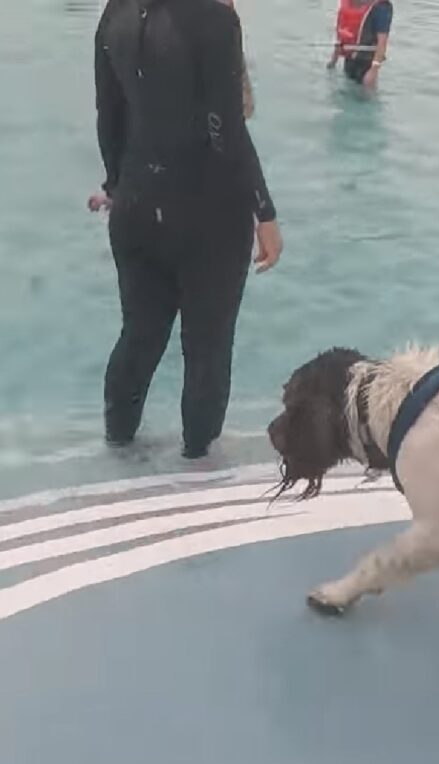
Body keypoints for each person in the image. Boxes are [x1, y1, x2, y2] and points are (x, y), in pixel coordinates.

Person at [88, 0, 283, 459]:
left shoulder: (115, 12)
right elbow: (227, 129)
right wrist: (265, 212)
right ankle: (197, 460)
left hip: (135, 206)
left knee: (139, 334)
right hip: (208, 211)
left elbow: (109, 117)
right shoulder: (214, 19)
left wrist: (117, 184)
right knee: (207, 349)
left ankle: (117, 446)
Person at [327, 0, 393, 88]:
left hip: (367, 63)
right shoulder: (348, 4)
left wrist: (374, 70)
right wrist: (333, 61)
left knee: (365, 97)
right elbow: (341, 36)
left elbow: (382, 42)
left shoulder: (381, 8)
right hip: (350, 61)